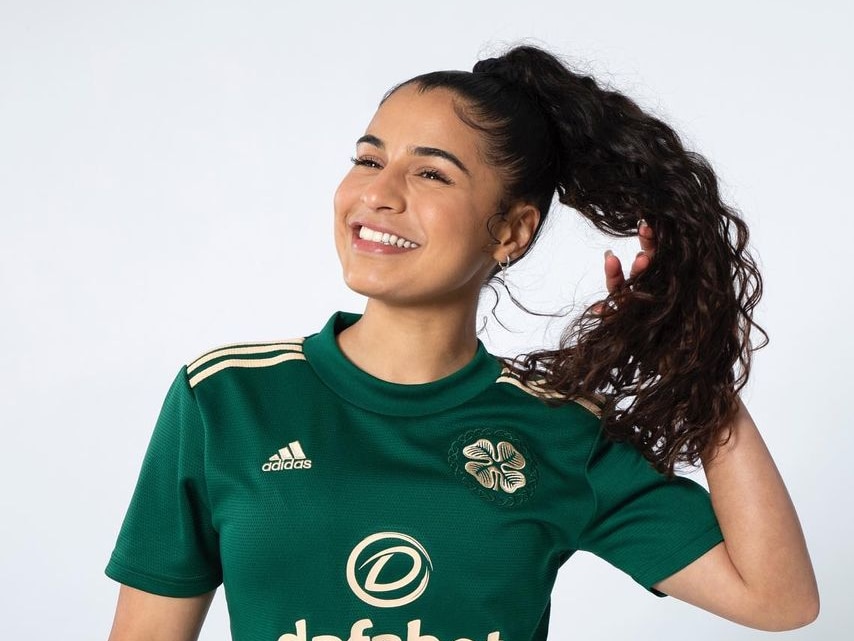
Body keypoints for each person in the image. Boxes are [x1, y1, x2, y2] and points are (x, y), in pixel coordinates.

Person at [105, 45, 818, 641]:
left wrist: (691, 363)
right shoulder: (227, 396)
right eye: (367, 158)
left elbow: (777, 598)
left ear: (510, 231)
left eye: (430, 172)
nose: (378, 193)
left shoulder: (560, 429)